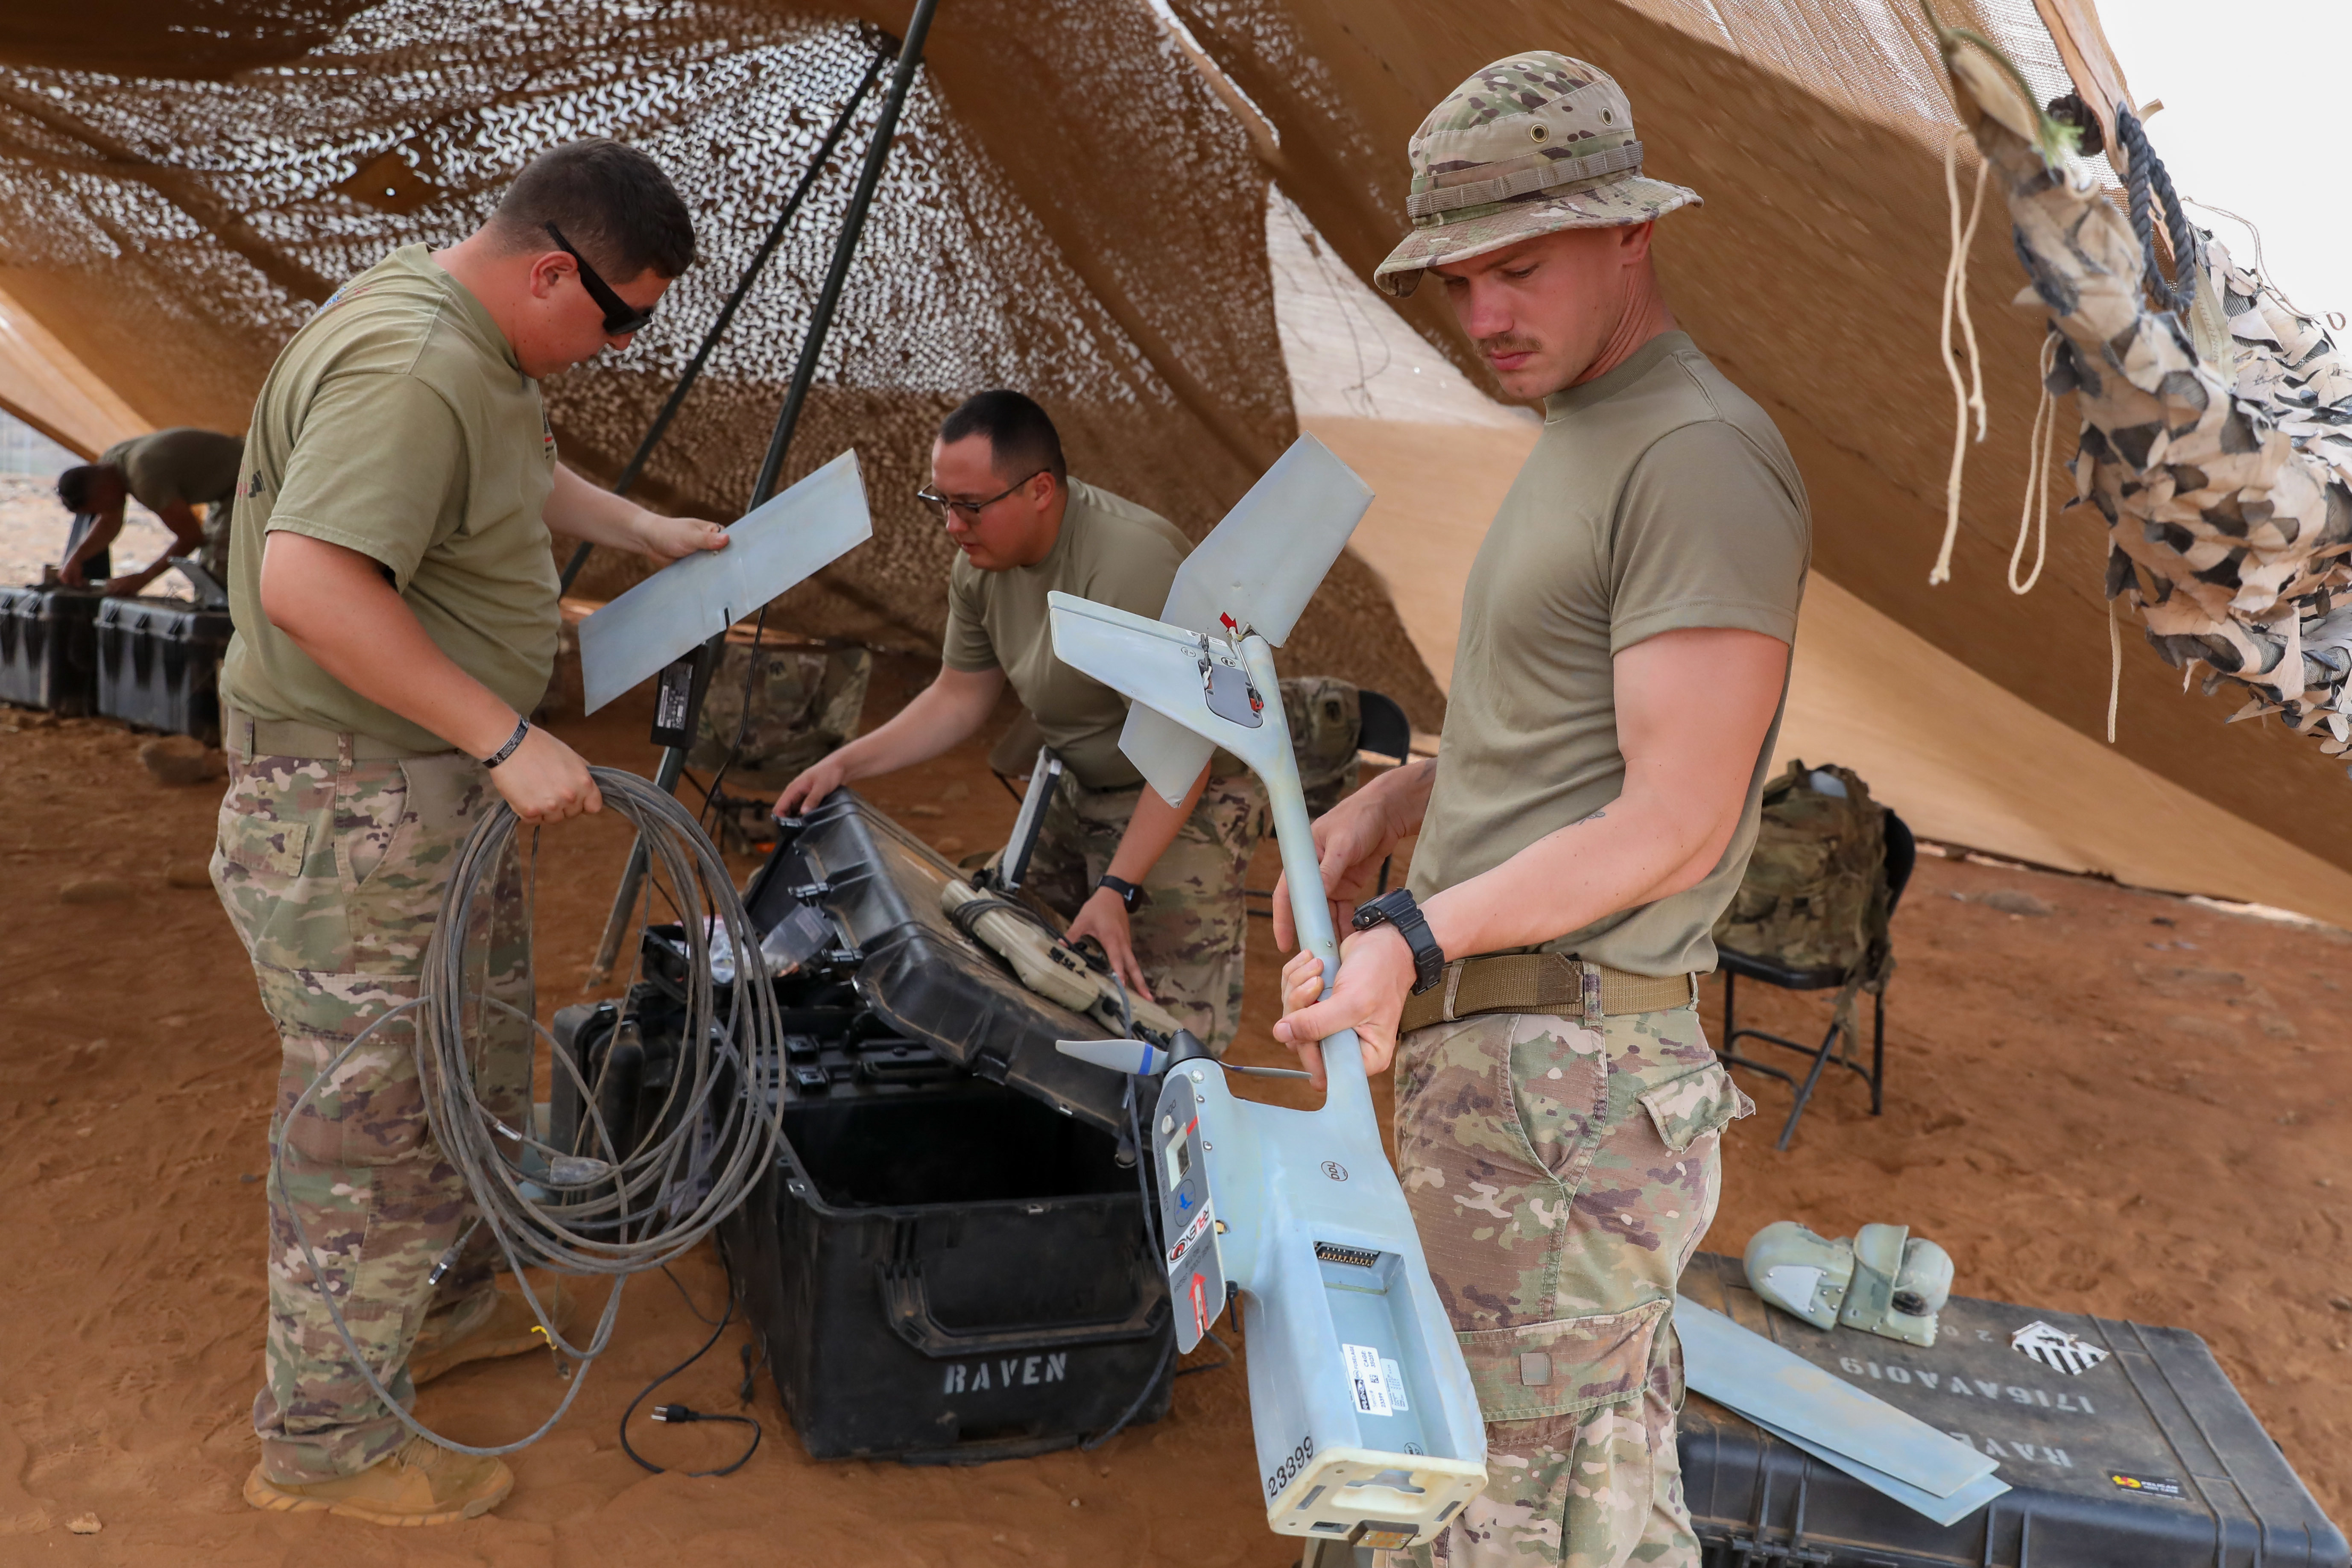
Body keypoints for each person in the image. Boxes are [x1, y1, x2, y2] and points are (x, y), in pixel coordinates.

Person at [1269, 54, 1808, 1568]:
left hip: (1568, 1097)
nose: (1485, 313)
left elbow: (1673, 819)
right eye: (1458, 282)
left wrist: (1404, 934)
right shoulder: (1588, 423)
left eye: (1519, 267)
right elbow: (1570, 735)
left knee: (1494, 1522)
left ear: (1631, 234)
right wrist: (1397, 797)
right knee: (1560, 1508)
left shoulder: (1693, 456)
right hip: (1516, 1082)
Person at [209, 137, 726, 1526]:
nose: (614, 352)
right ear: (552, 271)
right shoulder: (415, 365)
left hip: (428, 799)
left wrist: (643, 529)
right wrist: (504, 736)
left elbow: (512, 471)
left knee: (474, 1066)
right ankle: (322, 1447)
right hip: (358, 807)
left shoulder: (471, 343)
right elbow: (311, 582)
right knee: (372, 1123)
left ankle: (443, 1308)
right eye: (616, 322)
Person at [773, 390, 1265, 1053]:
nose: (953, 526)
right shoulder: (980, 567)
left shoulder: (1132, 566)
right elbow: (958, 698)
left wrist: (1117, 888)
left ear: (1040, 491)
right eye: (941, 502)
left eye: (970, 505)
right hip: (1081, 779)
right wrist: (842, 764)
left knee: (1160, 1026)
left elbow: (1186, 754)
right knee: (990, 931)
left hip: (1186, 793)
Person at [54, 427, 243, 594]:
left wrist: (144, 578)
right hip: (229, 485)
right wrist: (76, 558)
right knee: (213, 574)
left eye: (99, 507)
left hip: (246, 480)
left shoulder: (145, 479)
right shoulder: (110, 464)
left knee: (219, 571)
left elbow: (192, 538)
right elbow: (109, 522)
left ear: (102, 492)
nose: (103, 512)